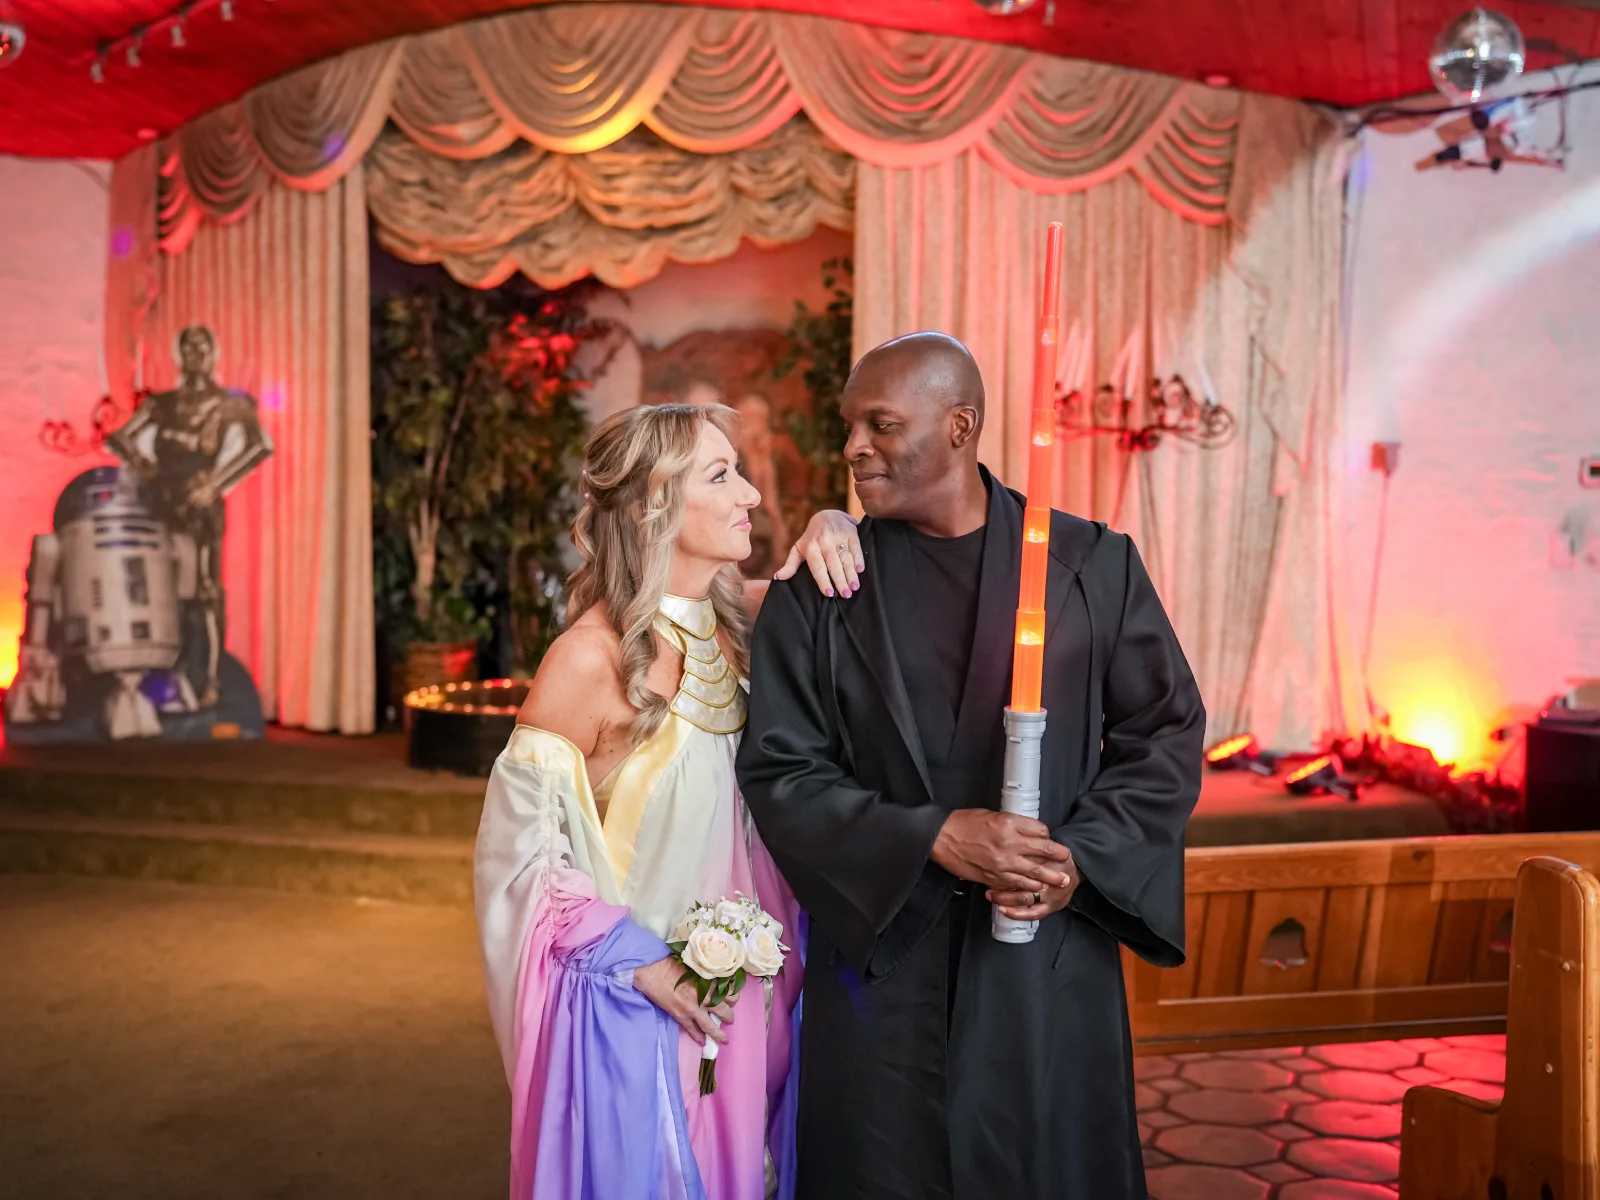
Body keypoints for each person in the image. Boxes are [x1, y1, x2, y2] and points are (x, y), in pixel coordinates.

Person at [736, 332, 1205, 1199]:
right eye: (848, 427)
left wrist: (1077, 860)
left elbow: (1165, 729)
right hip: (883, 969)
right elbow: (780, 770)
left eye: (880, 425)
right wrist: (933, 836)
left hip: (1043, 964)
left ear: (959, 427)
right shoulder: (823, 588)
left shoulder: (1090, 566)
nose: (852, 448)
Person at [474, 402, 864, 1199]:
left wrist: (833, 519)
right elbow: (521, 856)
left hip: (762, 1004)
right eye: (721, 476)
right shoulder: (589, 658)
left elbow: (846, 591)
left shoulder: (747, 623)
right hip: (654, 1014)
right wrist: (639, 965)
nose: (751, 494)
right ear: (654, 502)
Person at [107, 325, 272, 710]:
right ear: (179, 354)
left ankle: (209, 679)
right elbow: (120, 437)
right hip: (162, 501)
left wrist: (216, 483)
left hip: (200, 504)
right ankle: (164, 674)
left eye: (202, 348)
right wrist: (144, 466)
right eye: (188, 348)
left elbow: (257, 446)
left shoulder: (230, 404)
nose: (196, 355)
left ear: (213, 353)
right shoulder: (162, 404)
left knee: (206, 590)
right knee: (161, 587)